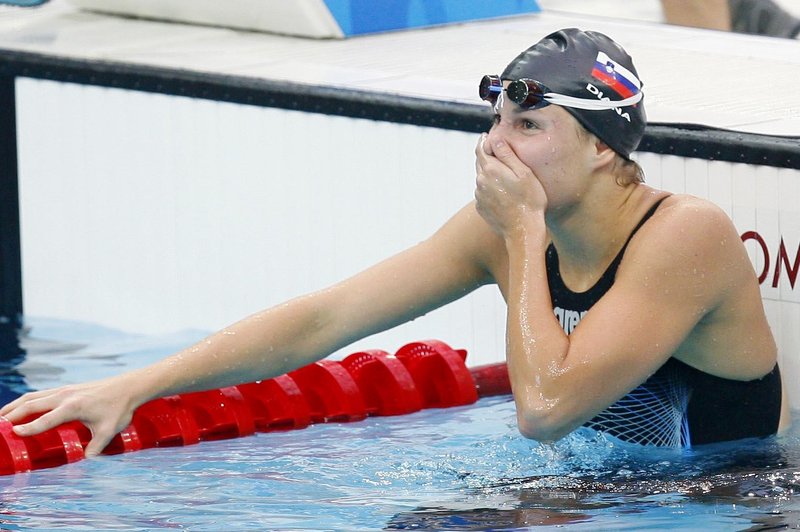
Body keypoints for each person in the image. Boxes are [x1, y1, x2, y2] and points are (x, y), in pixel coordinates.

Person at [0, 28, 790, 453]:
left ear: (604, 147)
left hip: (719, 503)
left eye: (528, 125)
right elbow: (326, 319)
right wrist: (139, 386)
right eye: (495, 121)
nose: (495, 147)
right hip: (598, 501)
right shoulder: (505, 228)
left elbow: (546, 410)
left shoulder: (686, 234)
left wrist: (518, 235)